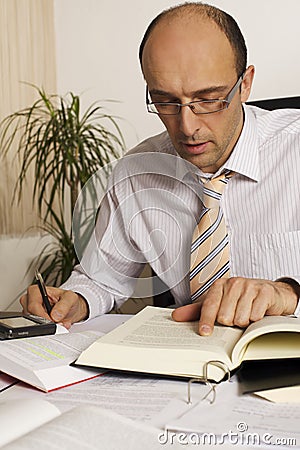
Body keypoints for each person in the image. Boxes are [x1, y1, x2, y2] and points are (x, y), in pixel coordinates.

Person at [21, 2, 300, 335]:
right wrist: (75, 300)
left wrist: (290, 295)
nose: (187, 126)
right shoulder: (136, 174)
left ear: (246, 84)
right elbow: (101, 278)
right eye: (166, 101)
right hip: (190, 363)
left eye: (208, 99)